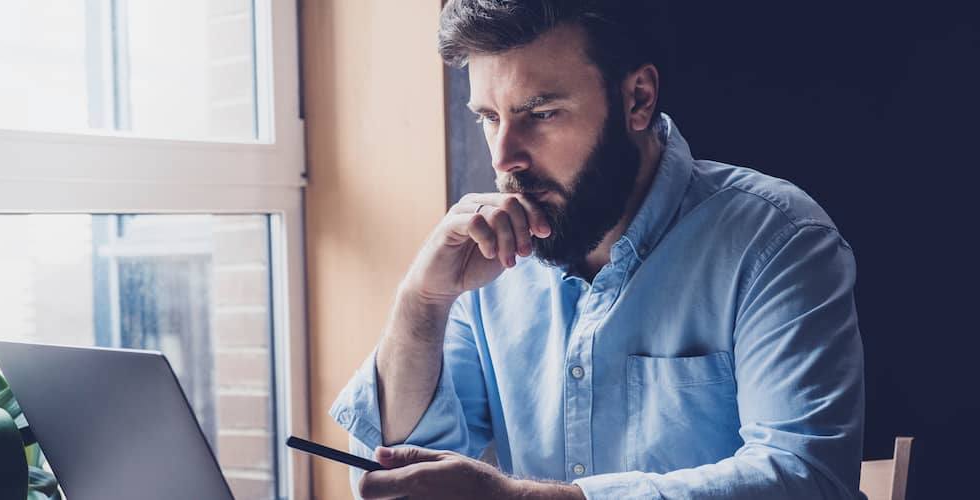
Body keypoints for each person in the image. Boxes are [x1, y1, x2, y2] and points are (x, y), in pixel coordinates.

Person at [329, 1, 866, 498]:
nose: (503, 158)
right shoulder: (489, 262)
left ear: (637, 99)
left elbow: (808, 478)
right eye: (490, 118)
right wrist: (422, 301)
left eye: (540, 113)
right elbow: (396, 480)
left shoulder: (777, 240)